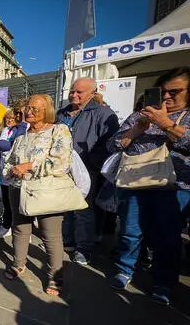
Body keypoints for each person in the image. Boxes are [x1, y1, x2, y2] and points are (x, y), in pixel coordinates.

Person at [107, 67, 190, 306]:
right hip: (134, 183)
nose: (166, 97)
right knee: (130, 230)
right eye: (163, 92)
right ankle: (125, 269)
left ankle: (163, 282)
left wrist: (166, 124)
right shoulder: (139, 116)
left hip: (176, 186)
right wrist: (135, 130)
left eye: (175, 92)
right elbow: (113, 145)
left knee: (168, 236)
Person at [3, 94, 71, 297]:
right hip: (18, 188)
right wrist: (12, 169)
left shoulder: (59, 130)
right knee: (20, 228)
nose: (28, 112)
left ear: (47, 111)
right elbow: (9, 161)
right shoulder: (21, 136)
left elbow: (62, 162)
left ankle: (54, 275)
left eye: (34, 109)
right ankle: (18, 263)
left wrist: (29, 166)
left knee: (50, 235)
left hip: (47, 190)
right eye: (27, 108)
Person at [57, 77, 120, 265]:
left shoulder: (103, 113)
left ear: (92, 94)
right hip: (62, 170)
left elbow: (110, 143)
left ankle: (83, 248)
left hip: (86, 171)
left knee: (83, 210)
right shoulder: (62, 114)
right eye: (72, 91)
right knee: (65, 207)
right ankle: (67, 241)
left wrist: (91, 162)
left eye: (79, 92)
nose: (74, 95)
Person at [0, 109, 27, 238]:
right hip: (5, 173)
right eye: (7, 118)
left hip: (19, 173)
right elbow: (2, 145)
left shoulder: (24, 129)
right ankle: (7, 225)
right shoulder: (6, 131)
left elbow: (17, 143)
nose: (10, 120)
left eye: (14, 117)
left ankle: (20, 229)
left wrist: (22, 126)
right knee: (7, 202)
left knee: (20, 203)